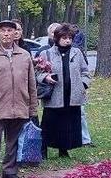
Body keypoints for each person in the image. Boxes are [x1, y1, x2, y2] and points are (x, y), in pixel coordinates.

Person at [0, 20, 38, 178]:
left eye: (10, 30)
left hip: (20, 105)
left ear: (16, 33)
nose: (6, 34)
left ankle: (10, 170)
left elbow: (31, 83)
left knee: (13, 141)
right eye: (3, 30)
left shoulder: (24, 55)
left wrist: (32, 108)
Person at [35, 24, 90, 159]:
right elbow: (37, 73)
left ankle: (64, 149)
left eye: (70, 38)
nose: (67, 40)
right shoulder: (46, 53)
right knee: (50, 123)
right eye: (64, 38)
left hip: (72, 95)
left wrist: (82, 84)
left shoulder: (77, 53)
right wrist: (45, 77)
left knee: (68, 123)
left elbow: (85, 72)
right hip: (54, 95)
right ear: (57, 38)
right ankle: (44, 149)